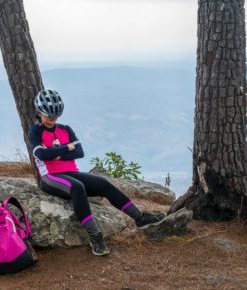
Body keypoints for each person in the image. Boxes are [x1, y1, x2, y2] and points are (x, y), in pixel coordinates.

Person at [28, 89, 165, 256]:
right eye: (49, 115)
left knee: (103, 183)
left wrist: (55, 153)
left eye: (55, 116)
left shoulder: (66, 129)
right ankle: (95, 235)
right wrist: (66, 148)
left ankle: (140, 218)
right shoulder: (36, 132)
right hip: (50, 177)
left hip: (72, 172)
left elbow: (79, 152)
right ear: (40, 112)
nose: (52, 119)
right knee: (77, 187)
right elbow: (41, 155)